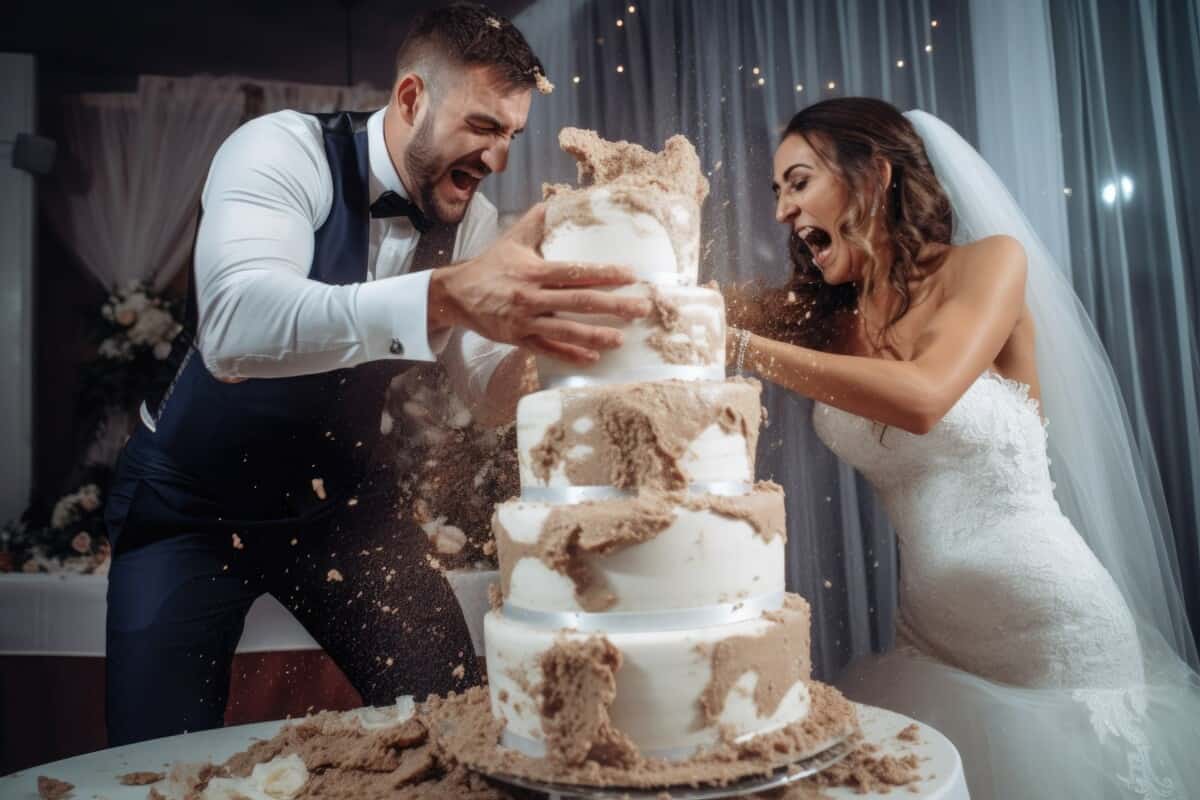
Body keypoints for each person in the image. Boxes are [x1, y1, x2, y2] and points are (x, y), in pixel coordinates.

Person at [103, 3, 651, 746]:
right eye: (484, 127)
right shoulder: (279, 149)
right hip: (189, 506)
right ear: (411, 99)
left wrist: (547, 329)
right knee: (152, 755)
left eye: (512, 136)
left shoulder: (474, 223)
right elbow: (235, 327)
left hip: (347, 509)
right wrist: (451, 294)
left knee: (456, 721)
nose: (498, 161)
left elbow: (487, 397)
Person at [726, 97, 1200, 798]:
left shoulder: (990, 265)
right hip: (930, 639)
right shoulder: (825, 321)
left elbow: (922, 397)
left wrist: (736, 346)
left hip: (1053, 637)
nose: (782, 213)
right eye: (778, 192)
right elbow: (681, 304)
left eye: (798, 182)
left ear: (875, 175)